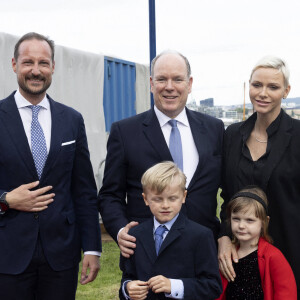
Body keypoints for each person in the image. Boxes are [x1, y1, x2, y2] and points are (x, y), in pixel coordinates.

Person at [0, 32, 101, 300]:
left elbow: (84, 191)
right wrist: (6, 199)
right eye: (28, 62)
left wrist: (92, 248)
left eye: (43, 63)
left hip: (61, 256)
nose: (36, 71)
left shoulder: (71, 119)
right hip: (7, 255)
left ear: (53, 67)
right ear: (14, 65)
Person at [98, 50, 224, 259]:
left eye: (177, 79)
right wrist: (121, 231)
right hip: (147, 253)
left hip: (204, 254)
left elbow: (227, 191)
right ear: (151, 83)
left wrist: (226, 234)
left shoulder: (214, 129)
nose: (169, 87)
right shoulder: (125, 132)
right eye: (162, 79)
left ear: (189, 83)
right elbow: (110, 195)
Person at [218, 56, 300, 293]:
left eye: (273, 87)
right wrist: (224, 236)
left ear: (286, 91)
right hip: (238, 257)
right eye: (257, 85)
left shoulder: (297, 136)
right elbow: (226, 195)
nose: (263, 93)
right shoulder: (232, 135)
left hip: (289, 252)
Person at [120, 161, 222, 300]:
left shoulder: (201, 235)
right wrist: (127, 289)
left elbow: (213, 286)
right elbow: (127, 277)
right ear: (145, 199)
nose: (165, 205)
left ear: (184, 196)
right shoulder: (134, 235)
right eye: (157, 199)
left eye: (172, 198)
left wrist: (174, 286)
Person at [217, 186, 297, 300]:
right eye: (236, 219)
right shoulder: (227, 255)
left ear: (264, 222)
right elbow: (217, 291)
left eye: (249, 220)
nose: (241, 225)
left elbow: (286, 294)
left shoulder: (274, 257)